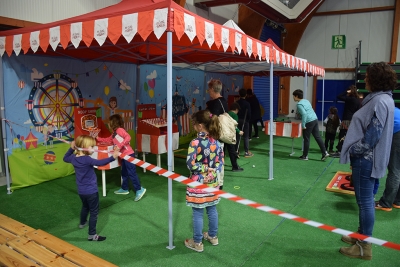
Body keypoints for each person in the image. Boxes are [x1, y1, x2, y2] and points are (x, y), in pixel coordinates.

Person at [339, 62, 396, 260]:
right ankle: (361, 237)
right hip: (371, 160)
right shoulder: (383, 99)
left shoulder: (379, 101)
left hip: (366, 161)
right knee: (366, 202)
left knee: (365, 203)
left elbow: (373, 136)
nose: (365, 79)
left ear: (376, 79)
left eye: (368, 76)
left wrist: (354, 149)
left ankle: (364, 246)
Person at [63, 135, 119, 241]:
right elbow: (100, 163)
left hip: (81, 191)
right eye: (92, 147)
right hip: (91, 191)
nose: (94, 149)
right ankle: (92, 235)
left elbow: (65, 158)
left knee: (85, 206)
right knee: (94, 212)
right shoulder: (87, 159)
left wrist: (71, 148)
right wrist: (113, 157)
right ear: (84, 147)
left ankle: (83, 223)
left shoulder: (73, 158)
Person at [184, 109, 224, 253]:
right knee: (212, 209)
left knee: (198, 212)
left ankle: (197, 242)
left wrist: (204, 169)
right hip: (213, 183)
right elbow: (220, 163)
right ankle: (213, 236)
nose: (193, 127)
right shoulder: (217, 142)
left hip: (198, 183)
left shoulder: (195, 142)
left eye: (194, 124)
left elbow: (190, 164)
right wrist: (211, 171)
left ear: (200, 126)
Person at [97, 114, 146, 201]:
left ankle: (139, 189)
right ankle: (125, 188)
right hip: (123, 156)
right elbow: (108, 140)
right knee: (124, 172)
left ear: (113, 123)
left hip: (129, 155)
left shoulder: (120, 130)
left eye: (109, 122)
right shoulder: (114, 133)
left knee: (132, 173)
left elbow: (128, 137)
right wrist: (97, 138)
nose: (108, 124)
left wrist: (119, 146)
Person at [292, 89, 329, 161]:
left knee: (306, 139)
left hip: (308, 122)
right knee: (317, 137)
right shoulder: (306, 101)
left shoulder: (299, 104)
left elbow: (304, 114)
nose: (293, 98)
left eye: (293, 96)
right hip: (314, 119)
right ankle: (325, 152)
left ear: (296, 96)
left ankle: (305, 156)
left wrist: (303, 125)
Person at [375, 107, 400, 212]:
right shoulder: (390, 105)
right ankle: (397, 200)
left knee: (394, 170)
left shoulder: (379, 105)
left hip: (397, 134)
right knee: (398, 169)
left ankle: (386, 203)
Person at [206, 79, 227, 189]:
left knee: (213, 160)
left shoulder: (214, 104)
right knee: (220, 159)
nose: (208, 91)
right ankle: (220, 182)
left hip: (215, 137)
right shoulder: (224, 101)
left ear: (213, 89)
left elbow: (210, 121)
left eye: (209, 89)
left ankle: (215, 182)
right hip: (222, 136)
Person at [333, 85, 361, 157]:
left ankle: (340, 151)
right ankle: (346, 150)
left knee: (342, 135)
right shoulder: (358, 100)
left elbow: (339, 96)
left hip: (346, 120)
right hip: (353, 120)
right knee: (348, 136)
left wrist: (346, 91)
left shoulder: (350, 99)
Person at [236, 88, 253, 158]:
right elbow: (249, 114)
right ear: (246, 95)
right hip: (245, 121)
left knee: (237, 136)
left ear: (239, 94)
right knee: (246, 137)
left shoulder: (236, 102)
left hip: (237, 120)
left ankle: (237, 151)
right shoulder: (247, 103)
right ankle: (246, 152)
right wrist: (248, 120)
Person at [227, 102, 243, 172]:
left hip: (222, 135)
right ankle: (235, 166)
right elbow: (234, 126)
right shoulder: (235, 115)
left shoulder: (226, 113)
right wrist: (239, 131)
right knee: (232, 151)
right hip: (229, 135)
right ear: (236, 109)